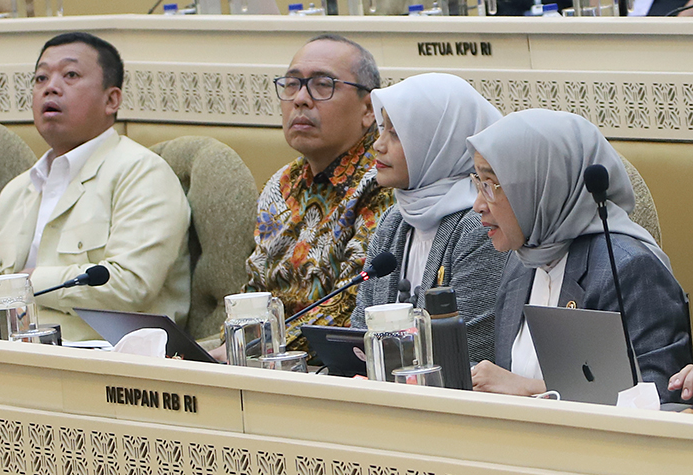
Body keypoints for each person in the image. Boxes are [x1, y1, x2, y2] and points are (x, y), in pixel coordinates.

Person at [0, 32, 191, 341]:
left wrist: (27, 284)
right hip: (4, 360)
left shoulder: (142, 174)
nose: (50, 87)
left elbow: (129, 286)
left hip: (100, 362)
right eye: (41, 78)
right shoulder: (17, 191)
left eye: (70, 75)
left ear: (112, 100)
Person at [466, 109, 692, 402]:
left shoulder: (628, 267)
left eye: (490, 185)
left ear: (543, 184)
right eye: (477, 183)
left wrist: (531, 389)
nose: (478, 204)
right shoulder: (522, 263)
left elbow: (661, 397)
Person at [241, 35, 394, 353]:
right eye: (292, 84)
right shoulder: (280, 184)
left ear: (368, 109)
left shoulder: (384, 181)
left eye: (322, 85)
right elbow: (255, 290)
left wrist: (256, 348)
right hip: (267, 361)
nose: (300, 99)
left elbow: (351, 308)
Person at [350, 74, 508, 364]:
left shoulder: (480, 225)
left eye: (396, 134)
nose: (378, 145)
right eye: (383, 129)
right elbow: (360, 332)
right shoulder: (393, 222)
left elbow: (469, 354)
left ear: (439, 142)